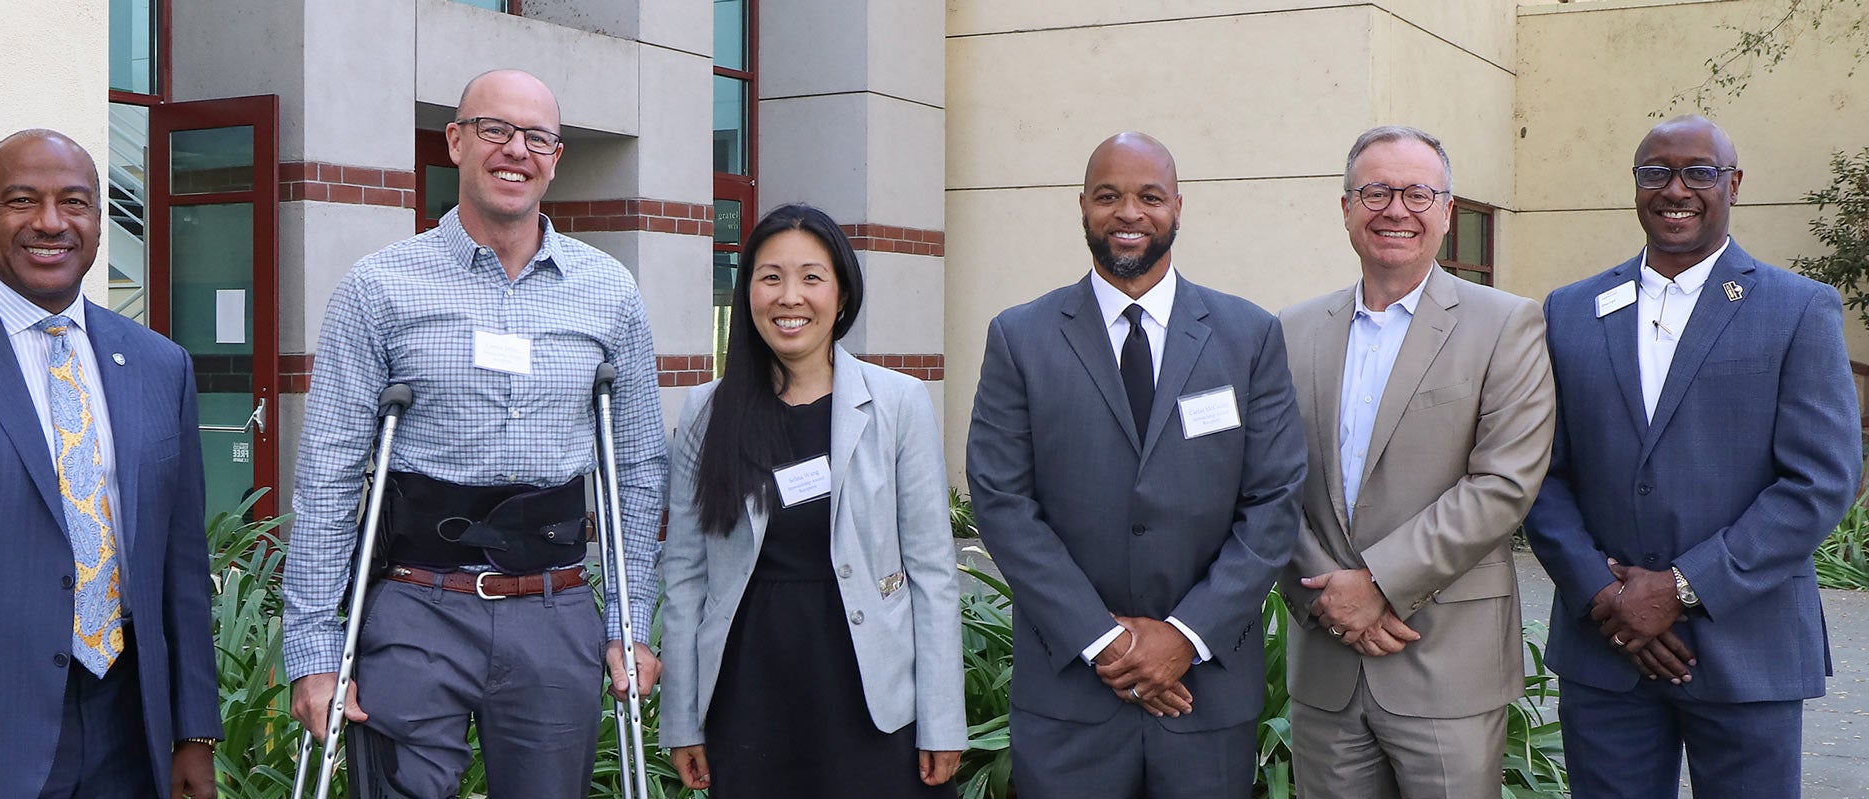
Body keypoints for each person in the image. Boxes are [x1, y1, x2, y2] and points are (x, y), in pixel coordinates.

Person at [282, 68, 667, 797]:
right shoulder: (379, 286)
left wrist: (630, 619)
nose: (515, 150)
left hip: (553, 610)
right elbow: (330, 470)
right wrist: (312, 649)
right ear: (456, 141)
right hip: (416, 604)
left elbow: (639, 467)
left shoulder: (609, 292)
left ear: (556, 157)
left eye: (537, 137)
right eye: (495, 129)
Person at [0, 129, 220, 799]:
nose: (51, 222)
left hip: (129, 730)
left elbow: (181, 566)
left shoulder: (159, 365)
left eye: (75, 202)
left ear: (97, 220)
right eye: (21, 200)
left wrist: (193, 733)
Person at [1524, 115, 1860, 799]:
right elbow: (1539, 472)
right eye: (1656, 172)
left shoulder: (1797, 309)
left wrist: (1677, 588)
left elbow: (1823, 479)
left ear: (1732, 184)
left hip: (1748, 647)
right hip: (1605, 648)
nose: (1676, 189)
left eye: (1698, 172)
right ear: (1637, 186)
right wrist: (1606, 595)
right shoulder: (1569, 310)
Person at [965, 131, 1307, 797]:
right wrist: (1104, 641)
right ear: (1083, 207)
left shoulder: (1249, 335)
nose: (1128, 213)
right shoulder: (1020, 337)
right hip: (1070, 694)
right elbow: (1001, 500)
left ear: (1179, 206)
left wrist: (1185, 634)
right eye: (1108, 196)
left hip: (1204, 694)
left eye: (1149, 196)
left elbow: (1274, 500)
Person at [1275, 125, 1556, 799]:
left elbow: (1503, 482)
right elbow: (1266, 482)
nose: (1395, 209)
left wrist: (1375, 584)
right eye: (1375, 191)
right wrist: (1326, 594)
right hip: (1326, 662)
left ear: (1448, 210)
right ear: (1345, 207)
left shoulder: (1506, 324)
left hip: (1446, 663)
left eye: (1417, 192)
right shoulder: (1289, 330)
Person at [658, 203, 965, 796]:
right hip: (749, 689)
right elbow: (686, 575)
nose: (789, 296)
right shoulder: (708, 412)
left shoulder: (898, 404)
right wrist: (681, 718)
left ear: (842, 295)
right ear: (747, 292)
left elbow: (932, 572)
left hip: (867, 687)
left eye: (811, 277)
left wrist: (943, 718)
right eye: (770, 277)